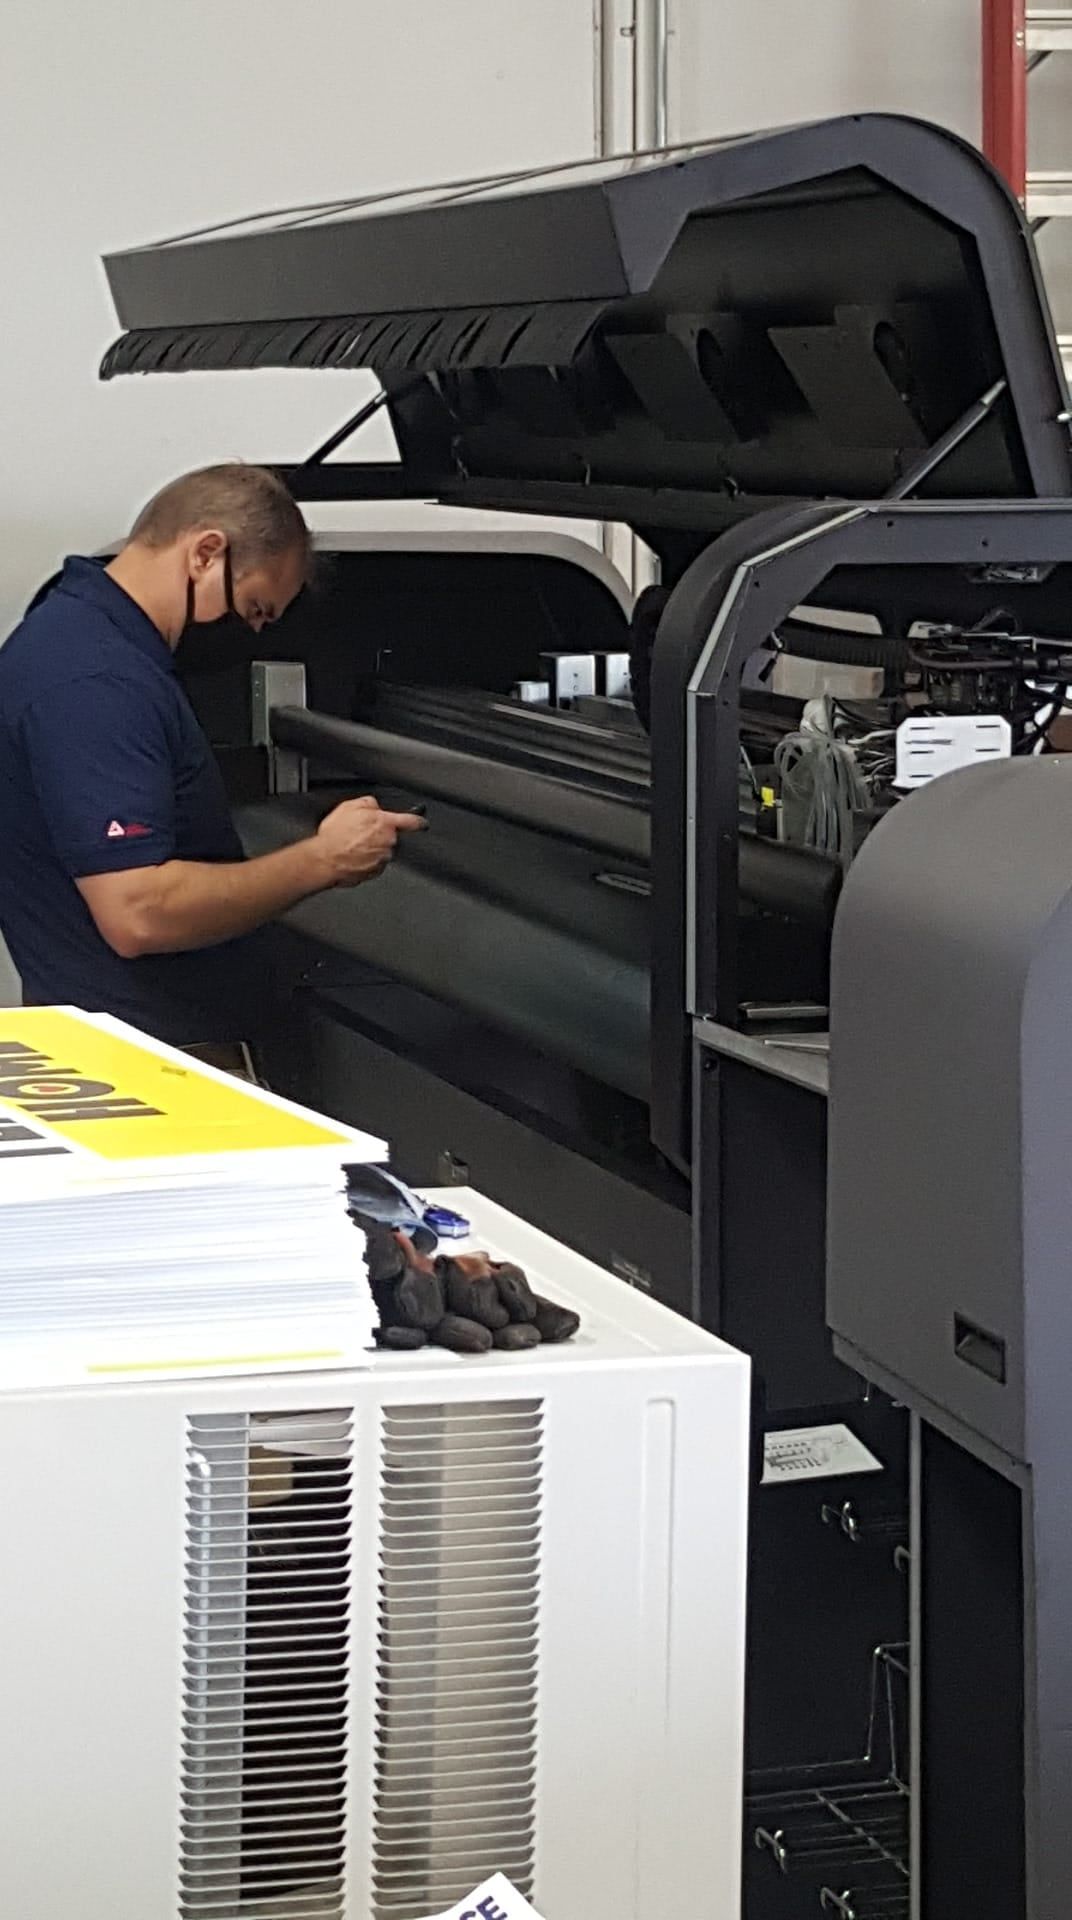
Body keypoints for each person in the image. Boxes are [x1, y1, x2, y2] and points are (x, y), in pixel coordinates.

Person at [0, 463, 424, 1051]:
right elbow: (139, 911)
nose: (250, 636)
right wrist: (323, 860)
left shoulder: (75, 633)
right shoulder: (96, 681)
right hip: (135, 1067)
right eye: (254, 608)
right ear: (205, 553)